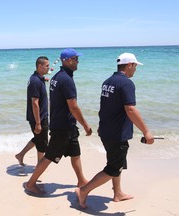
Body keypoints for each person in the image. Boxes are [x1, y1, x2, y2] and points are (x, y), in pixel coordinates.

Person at [75, 53, 154, 209]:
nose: (136, 69)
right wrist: (146, 131)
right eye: (135, 66)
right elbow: (130, 109)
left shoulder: (108, 82)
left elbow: (106, 107)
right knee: (113, 168)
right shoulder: (126, 84)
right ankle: (83, 190)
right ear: (129, 65)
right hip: (116, 134)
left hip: (107, 130)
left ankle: (117, 193)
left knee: (116, 163)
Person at [24, 48, 92, 195]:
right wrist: (86, 125)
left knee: (75, 153)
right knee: (49, 156)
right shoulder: (66, 79)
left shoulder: (56, 77)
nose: (77, 61)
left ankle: (81, 180)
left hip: (67, 124)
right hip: (62, 127)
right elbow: (73, 107)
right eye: (75, 59)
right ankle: (31, 183)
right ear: (67, 60)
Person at [15, 56, 50, 166]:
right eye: (47, 66)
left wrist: (44, 79)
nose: (48, 68)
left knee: (38, 139)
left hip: (41, 116)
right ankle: (39, 167)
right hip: (38, 118)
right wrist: (38, 123)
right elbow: (34, 103)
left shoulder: (38, 78)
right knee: (42, 144)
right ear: (40, 66)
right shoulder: (35, 81)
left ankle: (20, 155)